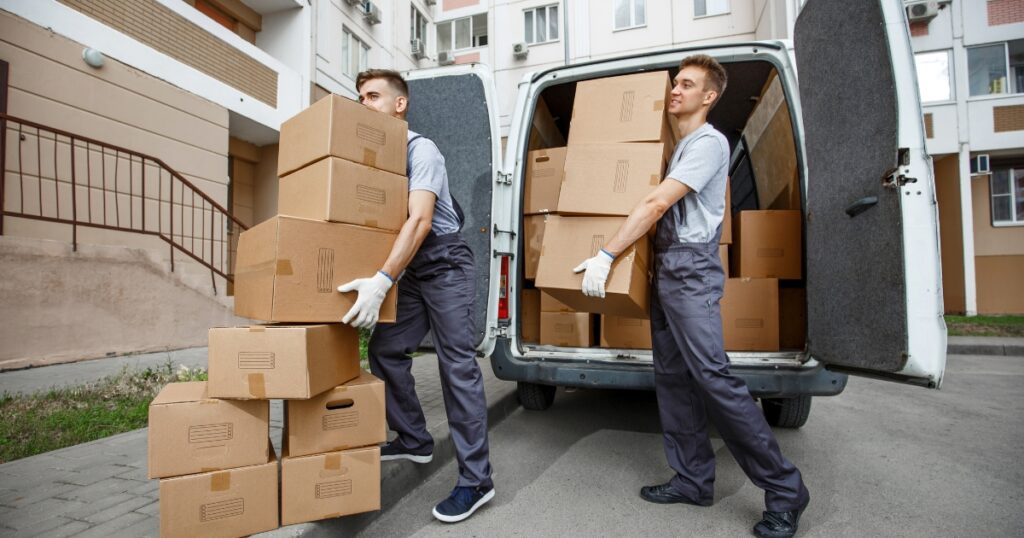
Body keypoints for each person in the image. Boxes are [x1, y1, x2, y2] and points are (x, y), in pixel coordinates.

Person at [573, 55, 809, 538]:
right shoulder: (678, 149)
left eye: (687, 84)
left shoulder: (707, 143)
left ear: (709, 96)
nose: (675, 91)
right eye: (675, 84)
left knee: (713, 377)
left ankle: (785, 489)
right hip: (668, 267)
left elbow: (659, 203)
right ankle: (693, 479)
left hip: (690, 269)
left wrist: (607, 254)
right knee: (674, 378)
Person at [338, 69, 494, 524]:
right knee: (386, 349)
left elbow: (420, 220)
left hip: (444, 263)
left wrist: (383, 279)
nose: (363, 103)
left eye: (372, 96)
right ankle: (414, 439)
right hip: (410, 268)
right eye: (360, 96)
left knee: (456, 367)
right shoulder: (376, 158)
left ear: (399, 104)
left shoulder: (419, 150)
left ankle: (476, 481)